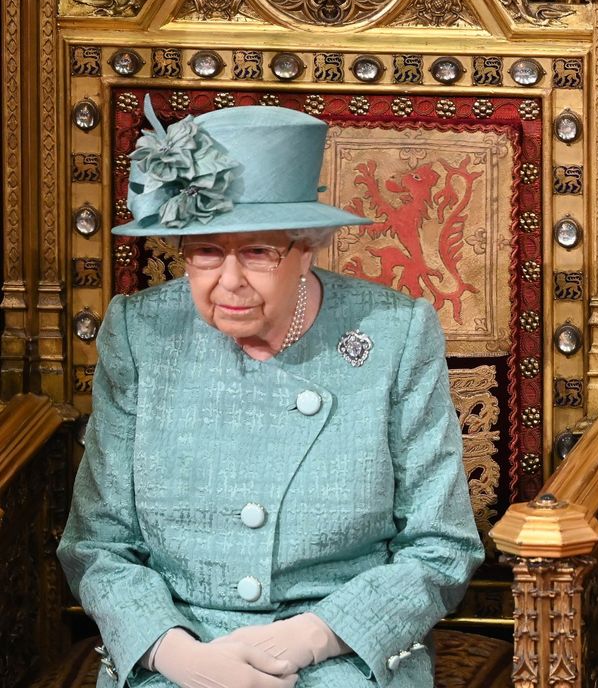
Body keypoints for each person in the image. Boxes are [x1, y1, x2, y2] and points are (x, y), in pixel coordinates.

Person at [57, 97, 485, 688]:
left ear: (308, 246)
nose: (228, 281)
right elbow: (98, 545)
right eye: (206, 251)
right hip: (176, 650)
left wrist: (311, 637)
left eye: (258, 251)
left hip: (343, 652)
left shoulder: (393, 333)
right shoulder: (141, 334)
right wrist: (177, 655)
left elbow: (441, 545)